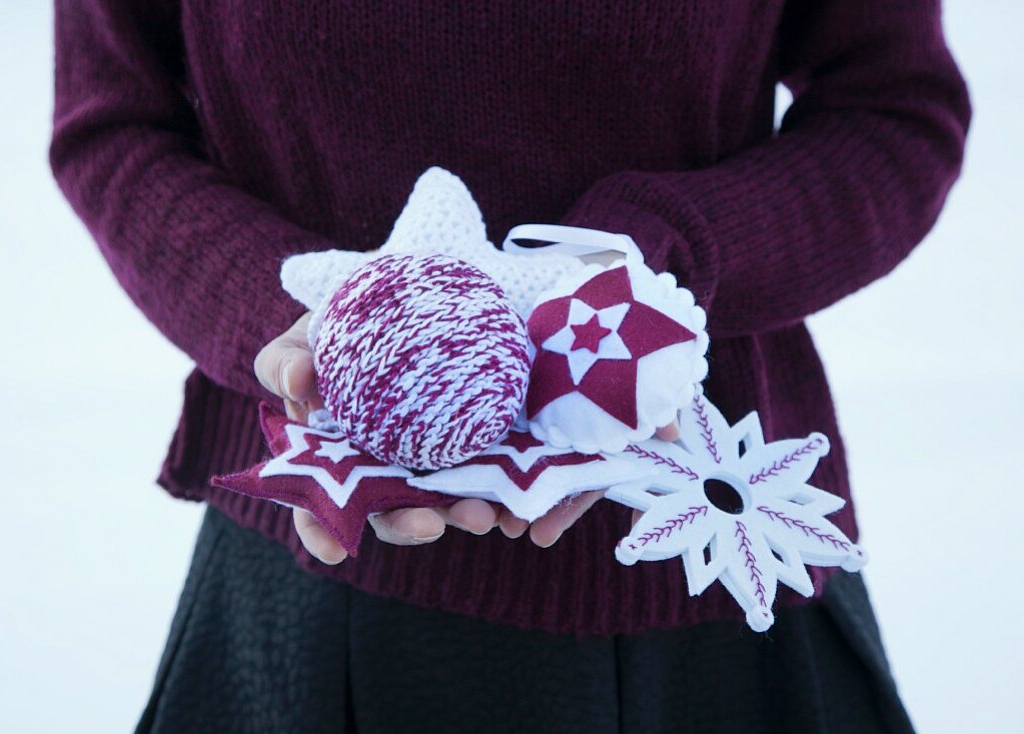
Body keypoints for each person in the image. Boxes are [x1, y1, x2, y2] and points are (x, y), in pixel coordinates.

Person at [50, 1, 970, 732]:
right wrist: (301, 319)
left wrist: (646, 267)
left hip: (705, 537)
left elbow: (892, 110)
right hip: (322, 556)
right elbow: (115, 124)